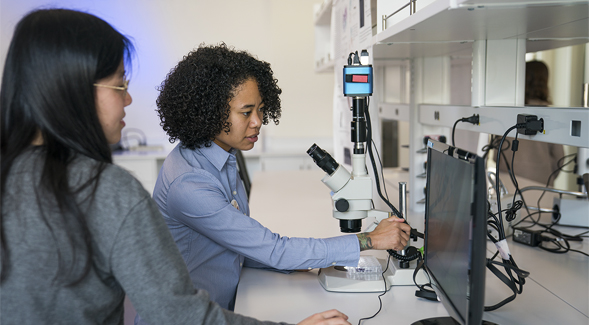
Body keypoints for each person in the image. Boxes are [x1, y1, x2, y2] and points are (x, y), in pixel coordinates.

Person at [0, 9, 351, 325]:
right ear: (71, 88)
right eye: (120, 83)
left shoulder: (13, 179)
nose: (128, 98)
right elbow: (178, 315)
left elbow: (246, 247)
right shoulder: (112, 191)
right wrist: (360, 243)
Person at [138, 43, 411, 318]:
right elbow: (272, 248)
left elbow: (242, 248)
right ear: (209, 112)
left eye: (260, 109)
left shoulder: (222, 156)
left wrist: (300, 259)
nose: (258, 121)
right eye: (246, 112)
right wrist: (369, 240)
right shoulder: (189, 183)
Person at [495, 60, 564, 186]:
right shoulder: (551, 114)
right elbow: (559, 158)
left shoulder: (508, 111)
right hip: (539, 183)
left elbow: (496, 151)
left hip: (506, 180)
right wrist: (545, 174)